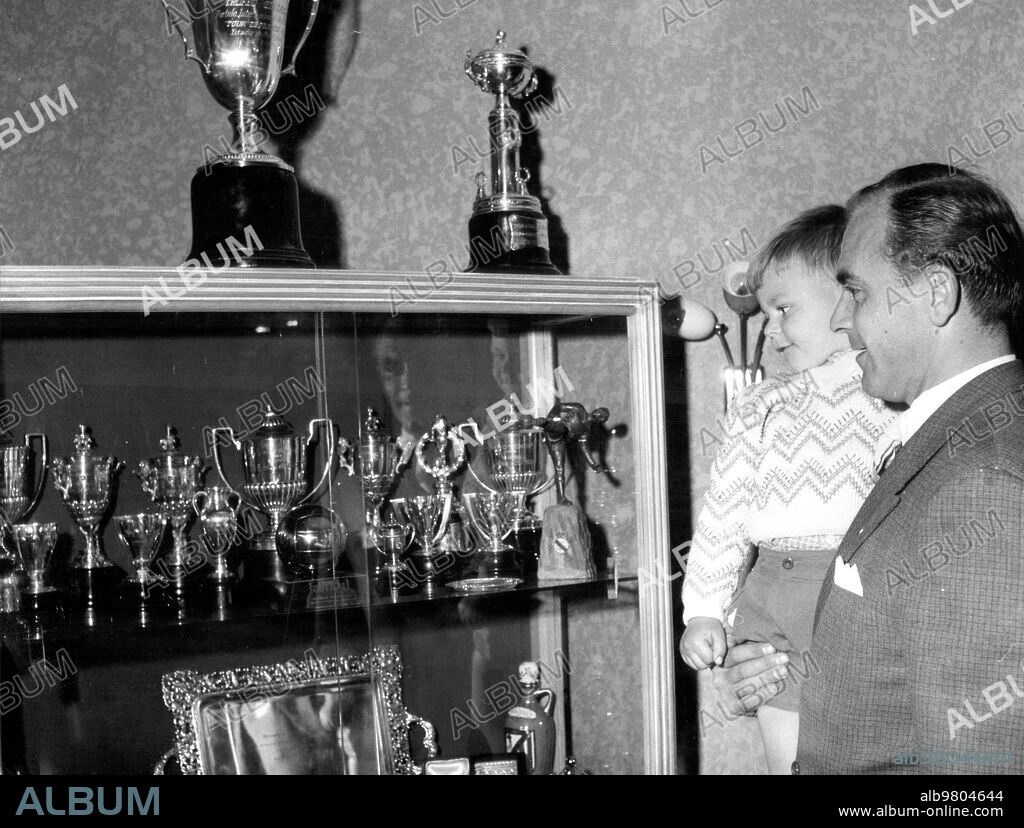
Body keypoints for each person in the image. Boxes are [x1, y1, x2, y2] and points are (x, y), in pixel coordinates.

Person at [788, 163, 1024, 774]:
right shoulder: (958, 434)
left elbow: (979, 785)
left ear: (938, 294)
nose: (840, 318)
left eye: (857, 291)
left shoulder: (982, 484)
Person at [680, 205, 897, 773]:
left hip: (847, 588)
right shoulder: (760, 405)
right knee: (786, 751)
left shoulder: (887, 394)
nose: (770, 332)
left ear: (846, 298)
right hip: (769, 589)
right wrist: (702, 611)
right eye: (765, 314)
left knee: (849, 740)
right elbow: (722, 515)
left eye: (783, 310)